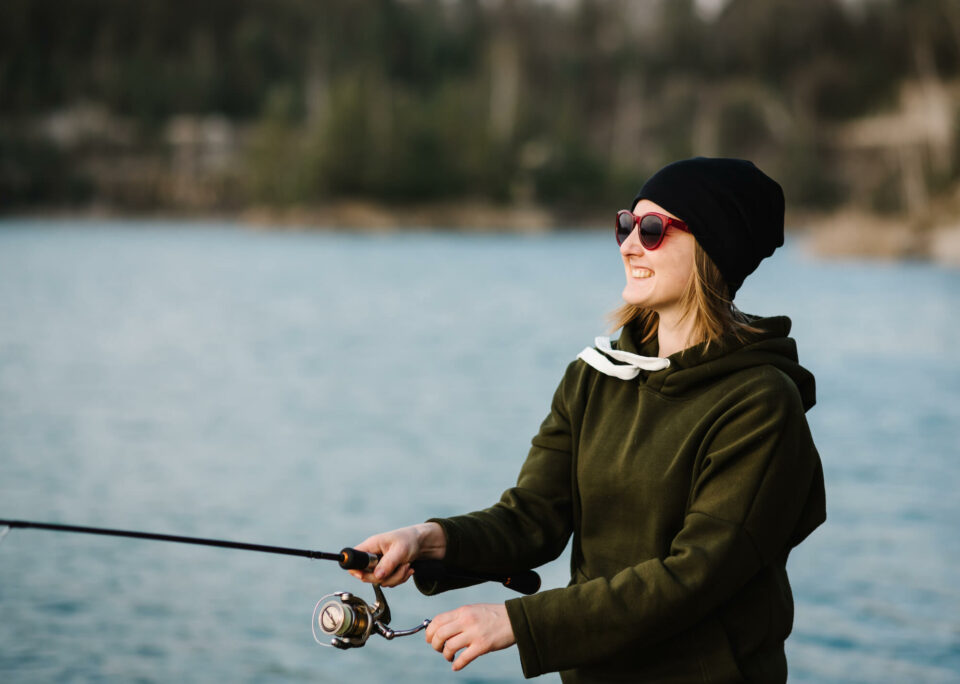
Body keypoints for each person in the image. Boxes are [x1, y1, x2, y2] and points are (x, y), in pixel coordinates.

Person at [348, 157, 826, 683]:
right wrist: (426, 539)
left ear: (713, 248)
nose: (627, 245)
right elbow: (532, 518)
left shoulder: (760, 404)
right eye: (626, 224)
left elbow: (694, 576)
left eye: (652, 230)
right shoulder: (595, 376)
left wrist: (519, 622)